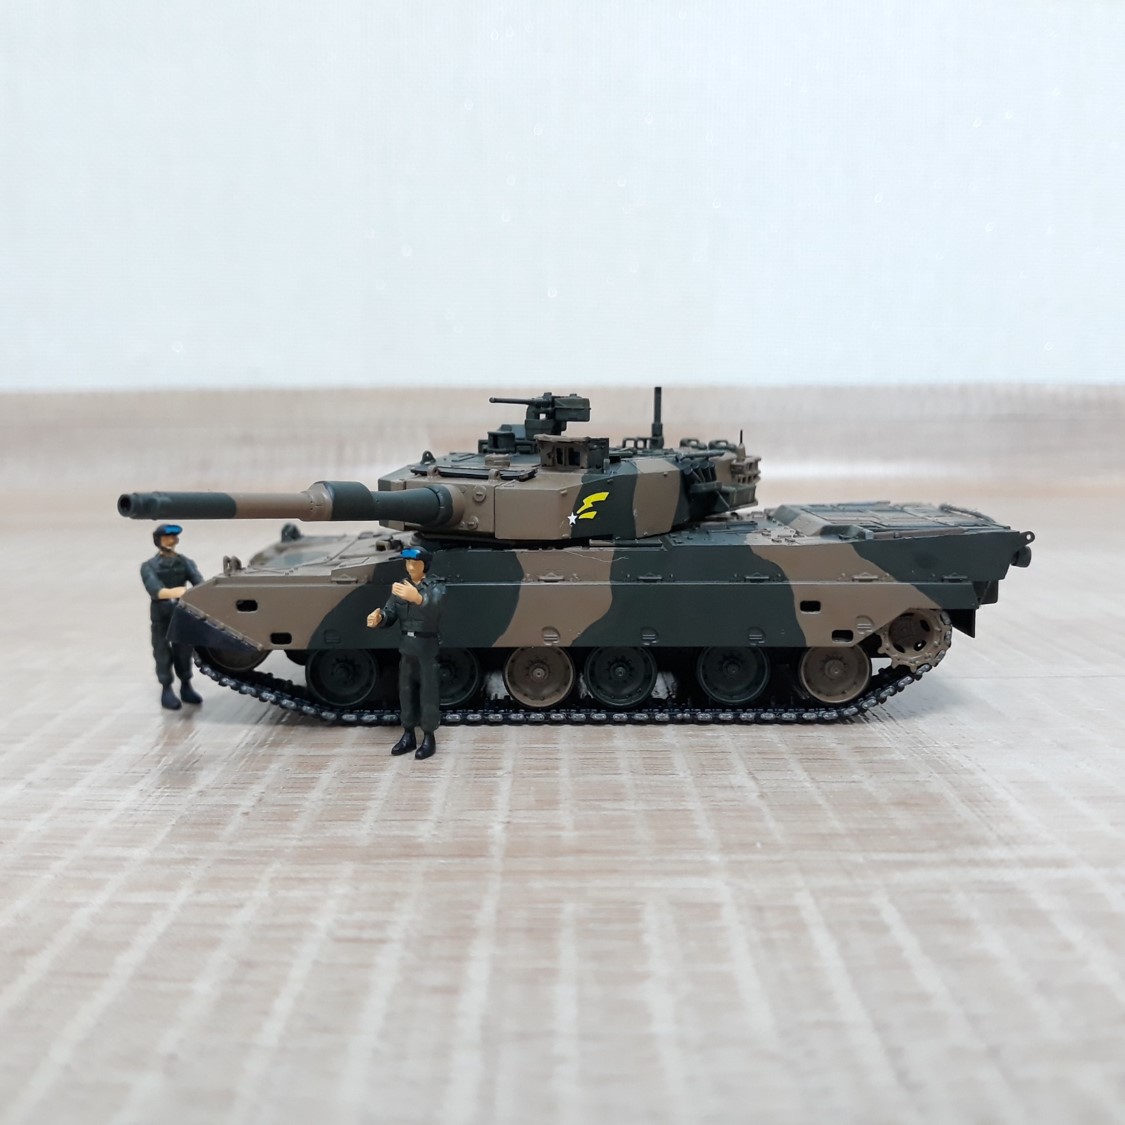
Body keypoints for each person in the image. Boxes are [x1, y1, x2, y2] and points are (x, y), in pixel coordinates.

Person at [366, 546, 445, 760]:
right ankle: (408, 733)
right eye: (408, 563)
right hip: (407, 645)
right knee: (406, 690)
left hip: (426, 645)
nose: (410, 567)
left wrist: (418, 598)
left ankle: (428, 736)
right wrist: (380, 618)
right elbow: (391, 612)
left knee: (428, 691)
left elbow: (436, 608)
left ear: (425, 565)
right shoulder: (401, 587)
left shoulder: (435, 586)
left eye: (415, 563)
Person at [141, 523, 204, 711]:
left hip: (181, 613)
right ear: (158, 540)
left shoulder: (184, 562)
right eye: (166, 537)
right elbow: (156, 591)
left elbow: (199, 583)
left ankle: (186, 684)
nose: (171, 540)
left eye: (173, 537)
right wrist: (180, 591)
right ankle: (166, 687)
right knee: (162, 651)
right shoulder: (149, 566)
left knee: (183, 651)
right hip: (161, 614)